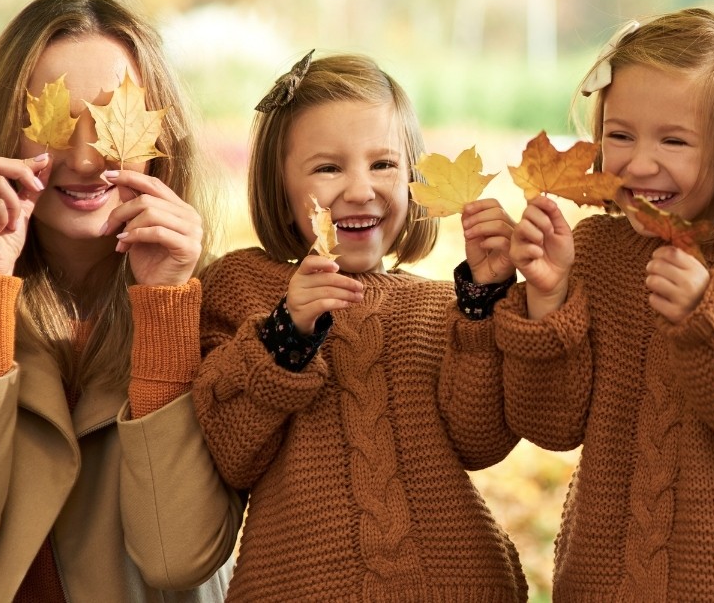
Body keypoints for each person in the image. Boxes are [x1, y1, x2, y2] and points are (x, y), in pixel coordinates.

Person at [494, 8, 714, 600]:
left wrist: (712, 321)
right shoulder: (593, 251)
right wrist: (548, 298)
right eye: (620, 135)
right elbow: (551, 425)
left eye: (674, 140)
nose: (639, 163)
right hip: (599, 586)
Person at [191, 52, 528, 601]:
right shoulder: (242, 289)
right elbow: (231, 452)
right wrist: (287, 334)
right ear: (279, 183)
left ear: (415, 178)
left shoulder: (438, 305)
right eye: (328, 168)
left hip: (455, 582)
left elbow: (481, 440)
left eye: (383, 164)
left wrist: (481, 303)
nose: (360, 189)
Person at [0, 0, 241, 602]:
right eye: (50, 121)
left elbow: (176, 558)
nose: (84, 156)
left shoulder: (220, 300)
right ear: (6, 130)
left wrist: (165, 306)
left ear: (163, 135)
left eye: (113, 120)